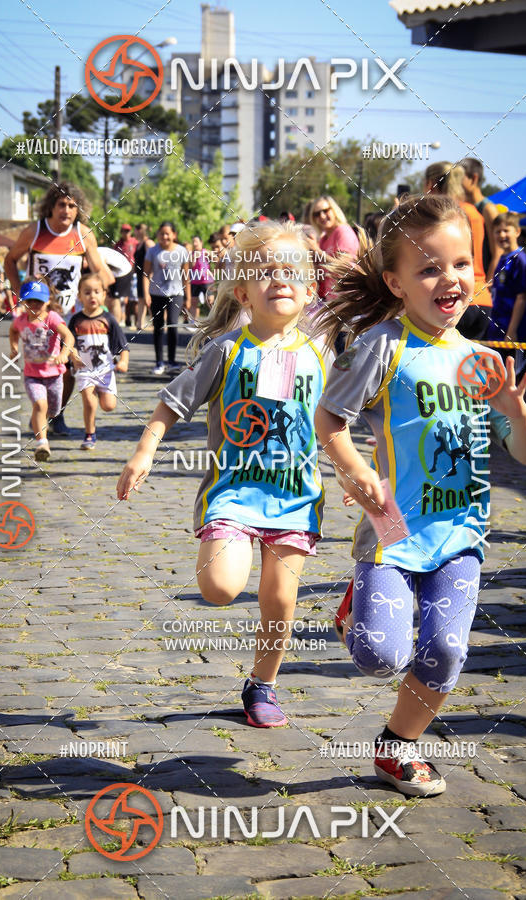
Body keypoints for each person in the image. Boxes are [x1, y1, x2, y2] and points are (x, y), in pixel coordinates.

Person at [314, 195, 526, 797]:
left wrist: (515, 412)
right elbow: (329, 419)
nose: (451, 279)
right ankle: (353, 613)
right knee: (378, 657)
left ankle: (399, 747)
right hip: (393, 529)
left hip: (461, 534)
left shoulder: (482, 361)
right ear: (396, 282)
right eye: (431, 268)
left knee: (445, 649)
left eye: (462, 264)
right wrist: (354, 467)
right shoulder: (382, 347)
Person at [117, 220, 331, 728]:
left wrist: (366, 476)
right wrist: (145, 449)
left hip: (296, 497)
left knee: (280, 598)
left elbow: (341, 421)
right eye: (267, 272)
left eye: (292, 271)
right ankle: (249, 649)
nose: (280, 279)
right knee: (218, 587)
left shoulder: (322, 354)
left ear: (309, 288)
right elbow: (173, 401)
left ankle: (262, 685)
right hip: (234, 493)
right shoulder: (227, 349)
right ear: (243, 292)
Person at [5, 181, 113, 436]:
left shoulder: (83, 234)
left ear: (78, 210)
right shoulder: (34, 232)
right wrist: (19, 291)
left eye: (72, 206)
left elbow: (99, 271)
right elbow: (10, 259)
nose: (67, 210)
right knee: (43, 364)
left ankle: (57, 414)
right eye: (62, 205)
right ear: (51, 207)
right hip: (40, 313)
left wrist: (108, 283)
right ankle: (41, 412)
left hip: (71, 311)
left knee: (70, 365)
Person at [9, 280, 75, 462]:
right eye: (30, 301)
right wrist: (13, 348)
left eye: (38, 301)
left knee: (53, 411)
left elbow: (68, 336)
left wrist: (64, 353)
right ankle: (42, 444)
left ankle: (39, 421)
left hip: (54, 375)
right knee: (40, 406)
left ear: (46, 301)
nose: (34, 305)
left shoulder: (51, 318)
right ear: (23, 301)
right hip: (32, 376)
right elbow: (13, 331)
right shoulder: (20, 321)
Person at [425, 162, 491, 340]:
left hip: (451, 299)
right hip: (482, 300)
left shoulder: (440, 215)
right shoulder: (473, 212)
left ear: (430, 184)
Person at [68, 273, 129, 450]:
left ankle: (99, 396)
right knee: (88, 399)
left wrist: (123, 361)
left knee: (109, 406)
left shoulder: (108, 320)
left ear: (104, 294)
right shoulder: (76, 320)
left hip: (105, 370)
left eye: (96, 291)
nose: (92, 296)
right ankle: (89, 434)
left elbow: (122, 345)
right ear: (79, 296)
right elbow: (68, 342)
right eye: (87, 292)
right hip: (84, 370)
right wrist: (73, 355)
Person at [306, 195, 359, 347]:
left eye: (325, 210)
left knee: (345, 352)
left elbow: (344, 265)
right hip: (332, 305)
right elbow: (324, 271)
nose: (322, 216)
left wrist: (317, 250)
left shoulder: (343, 231)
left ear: (334, 210)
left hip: (348, 303)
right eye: (316, 214)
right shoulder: (323, 239)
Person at [143, 221, 191, 376]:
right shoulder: (152, 251)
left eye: (167, 233)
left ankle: (172, 361)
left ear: (174, 235)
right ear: (158, 235)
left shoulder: (182, 251)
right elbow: (145, 273)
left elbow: (186, 276)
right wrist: (145, 294)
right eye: (162, 233)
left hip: (176, 293)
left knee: (172, 324)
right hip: (156, 294)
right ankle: (159, 362)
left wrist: (188, 297)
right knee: (158, 326)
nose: (164, 236)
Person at [488, 212, 526, 345]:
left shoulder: (521, 260)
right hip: (498, 324)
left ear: (517, 232)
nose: (502, 235)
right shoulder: (502, 258)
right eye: (498, 231)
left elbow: (522, 297)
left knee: (513, 364)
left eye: (506, 230)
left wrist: (512, 331)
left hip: (513, 329)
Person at [461, 158, 500, 277]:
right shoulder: (461, 207)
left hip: (481, 280)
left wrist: (488, 283)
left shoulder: (488, 209)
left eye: (459, 177)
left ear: (473, 178)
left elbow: (497, 252)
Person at [111, 223, 138, 327]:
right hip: (122, 274)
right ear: (121, 232)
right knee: (123, 298)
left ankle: (136, 320)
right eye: (124, 231)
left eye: (128, 231)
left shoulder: (135, 243)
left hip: (134, 272)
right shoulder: (118, 245)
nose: (126, 233)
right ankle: (126, 319)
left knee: (134, 298)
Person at [189, 235, 214, 323]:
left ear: (201, 242)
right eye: (193, 242)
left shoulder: (206, 252)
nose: (195, 243)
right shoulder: (191, 254)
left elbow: (217, 258)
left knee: (210, 301)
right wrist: (194, 258)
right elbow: (191, 266)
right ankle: (193, 322)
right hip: (195, 281)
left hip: (207, 281)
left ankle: (214, 320)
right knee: (193, 302)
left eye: (196, 241)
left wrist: (212, 273)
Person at [134, 224, 155, 330]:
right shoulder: (139, 244)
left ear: (141, 231)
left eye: (136, 230)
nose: (134, 232)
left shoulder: (148, 243)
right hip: (139, 275)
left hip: (148, 275)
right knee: (141, 299)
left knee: (150, 299)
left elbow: (154, 259)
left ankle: (157, 321)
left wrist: (151, 276)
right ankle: (140, 323)